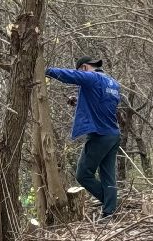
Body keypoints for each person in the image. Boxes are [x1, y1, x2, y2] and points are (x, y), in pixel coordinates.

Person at [46, 55, 124, 218]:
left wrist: (46, 71)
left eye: (80, 71)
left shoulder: (92, 77)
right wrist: (79, 101)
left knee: (83, 174)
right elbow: (103, 104)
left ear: (84, 68)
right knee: (108, 175)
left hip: (100, 135)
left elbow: (69, 76)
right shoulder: (113, 84)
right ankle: (110, 211)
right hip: (113, 135)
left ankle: (111, 203)